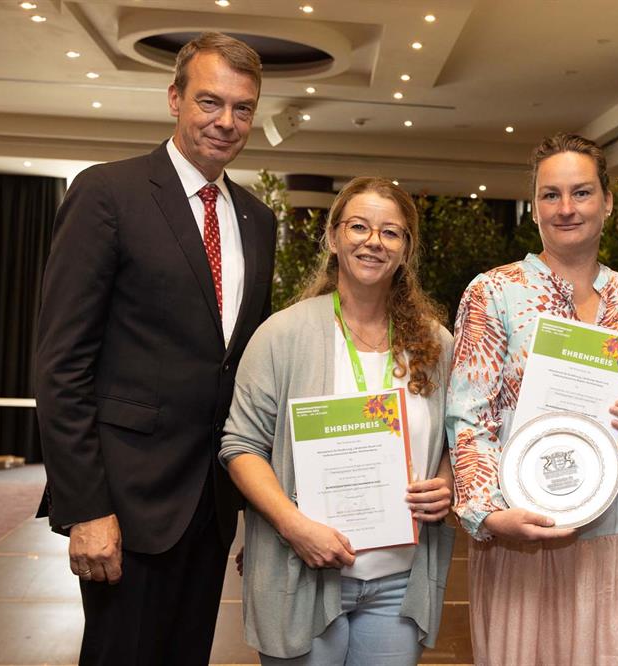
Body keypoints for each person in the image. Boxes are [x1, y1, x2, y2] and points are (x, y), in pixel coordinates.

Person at [34, 32, 276, 665]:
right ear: (174, 99)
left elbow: (243, 371)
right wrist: (86, 508)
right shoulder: (107, 193)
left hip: (213, 504)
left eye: (243, 108)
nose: (226, 121)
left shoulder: (257, 219)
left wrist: (263, 507)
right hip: (126, 504)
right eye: (209, 102)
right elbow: (62, 365)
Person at [446, 132, 618, 665]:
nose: (566, 208)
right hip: (520, 530)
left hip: (615, 532)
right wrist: (488, 516)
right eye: (550, 195)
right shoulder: (494, 291)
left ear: (608, 201)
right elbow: (468, 420)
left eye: (582, 192)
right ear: (534, 208)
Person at [219, 177, 456, 665]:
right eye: (359, 227)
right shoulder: (281, 335)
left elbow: (456, 438)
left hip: (398, 583)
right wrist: (293, 526)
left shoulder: (436, 345)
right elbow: (241, 446)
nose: (374, 242)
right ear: (332, 237)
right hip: (303, 570)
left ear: (406, 249)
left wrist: (447, 481)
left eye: (391, 232)